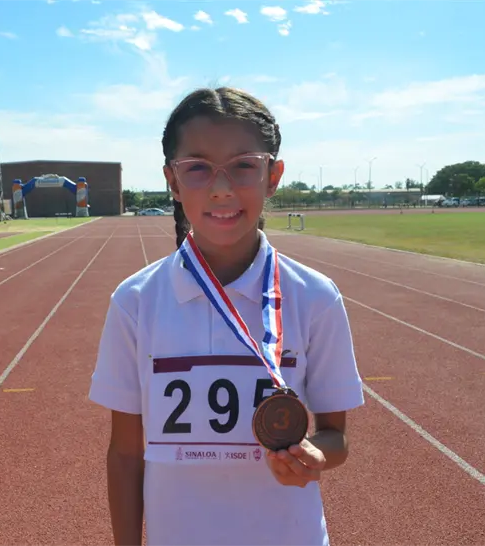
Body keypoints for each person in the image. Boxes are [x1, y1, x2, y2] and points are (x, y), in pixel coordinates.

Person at [88, 86, 364, 546]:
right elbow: (125, 453)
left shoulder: (315, 298)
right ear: (172, 181)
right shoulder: (136, 301)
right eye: (197, 168)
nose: (221, 187)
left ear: (272, 176)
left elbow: (336, 436)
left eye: (243, 166)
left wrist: (315, 455)